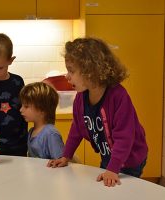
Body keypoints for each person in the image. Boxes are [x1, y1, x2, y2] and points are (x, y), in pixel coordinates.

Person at [47, 37, 148, 187]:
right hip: (109, 156)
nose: (67, 76)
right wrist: (65, 156)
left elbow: (124, 137)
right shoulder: (81, 98)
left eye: (71, 71)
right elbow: (77, 129)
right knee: (106, 189)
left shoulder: (118, 96)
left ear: (90, 72)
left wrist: (113, 169)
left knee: (122, 192)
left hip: (130, 158)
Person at [19, 82, 64, 159]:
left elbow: (60, 163)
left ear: (42, 109)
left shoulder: (51, 134)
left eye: (26, 106)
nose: (20, 110)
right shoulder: (31, 131)